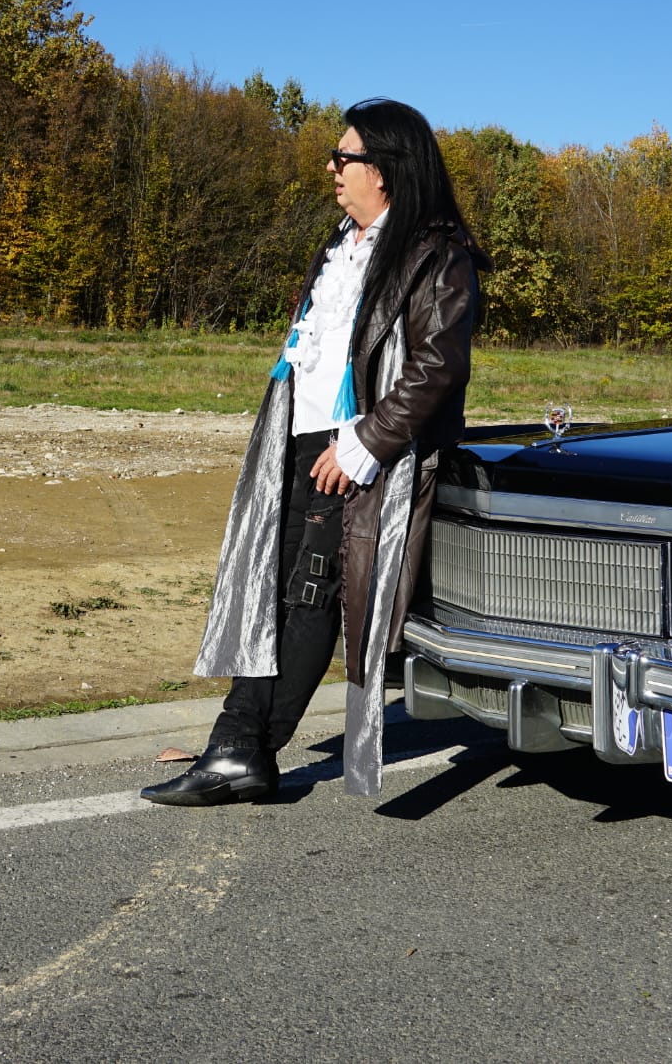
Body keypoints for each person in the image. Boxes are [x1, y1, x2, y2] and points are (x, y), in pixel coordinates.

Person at [143, 97, 489, 806]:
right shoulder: (341, 243)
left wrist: (366, 441)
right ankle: (237, 741)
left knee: (310, 592)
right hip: (299, 443)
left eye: (344, 157)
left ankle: (243, 747)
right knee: (272, 586)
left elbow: (438, 366)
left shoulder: (438, 254)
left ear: (384, 168)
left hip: (363, 455)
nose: (332, 168)